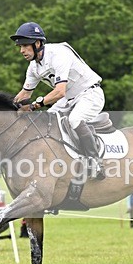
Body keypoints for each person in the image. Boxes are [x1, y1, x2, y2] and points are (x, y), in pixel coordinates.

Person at [10, 22, 106, 179]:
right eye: (20, 46)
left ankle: (95, 162)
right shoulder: (33, 67)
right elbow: (24, 94)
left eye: (25, 45)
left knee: (75, 120)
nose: (21, 50)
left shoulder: (58, 54)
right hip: (69, 98)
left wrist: (35, 106)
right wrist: (7, 109)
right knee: (47, 122)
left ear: (38, 43)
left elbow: (59, 92)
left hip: (90, 94)